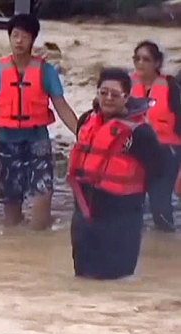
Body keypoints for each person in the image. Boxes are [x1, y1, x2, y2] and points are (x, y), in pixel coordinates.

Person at [0, 13, 78, 230]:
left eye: (25, 36)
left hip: (37, 142)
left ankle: (38, 251)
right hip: (5, 144)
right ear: (9, 38)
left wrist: (82, 134)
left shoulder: (46, 72)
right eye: (15, 35)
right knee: (11, 221)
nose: (19, 41)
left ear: (33, 39)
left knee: (40, 217)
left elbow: (62, 106)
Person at [69, 68, 165, 280]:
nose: (108, 99)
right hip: (85, 214)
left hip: (121, 219)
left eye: (115, 94)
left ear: (126, 97)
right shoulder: (86, 120)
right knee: (82, 280)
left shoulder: (140, 133)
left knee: (117, 283)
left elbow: (159, 171)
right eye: (103, 93)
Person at [130, 40, 181, 232]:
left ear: (157, 63)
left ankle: (167, 248)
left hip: (166, 152)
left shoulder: (172, 87)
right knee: (131, 205)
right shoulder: (127, 85)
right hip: (136, 152)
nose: (140, 63)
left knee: (160, 207)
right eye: (137, 59)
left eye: (146, 59)